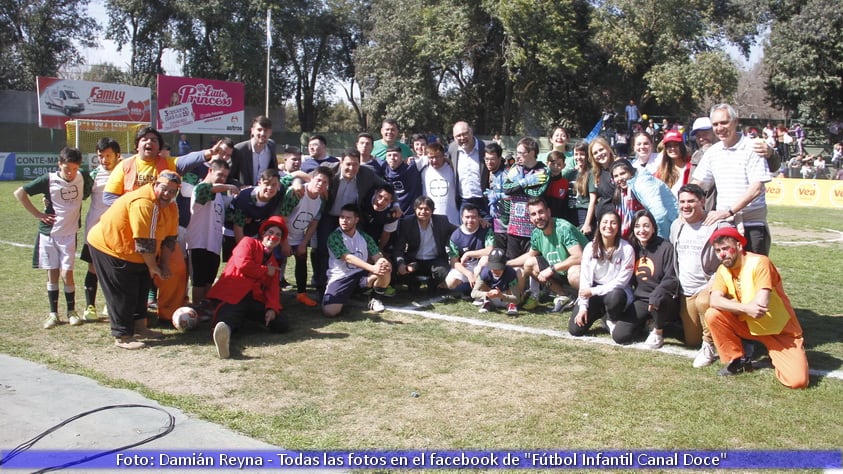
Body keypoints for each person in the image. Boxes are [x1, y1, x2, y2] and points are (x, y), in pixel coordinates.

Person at [87, 171, 182, 349]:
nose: (167, 194)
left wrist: (163, 264)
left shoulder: (171, 207)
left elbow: (170, 238)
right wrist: (153, 267)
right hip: (110, 247)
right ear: (155, 185)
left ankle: (140, 328)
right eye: (164, 188)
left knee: (142, 287)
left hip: (136, 254)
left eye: (172, 191)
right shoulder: (144, 204)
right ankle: (122, 335)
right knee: (123, 291)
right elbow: (144, 242)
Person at [705, 227, 809, 389]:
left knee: (797, 381)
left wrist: (741, 307)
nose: (722, 254)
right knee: (713, 314)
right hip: (748, 324)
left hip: (779, 330)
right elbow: (714, 301)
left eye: (726, 248)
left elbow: (760, 305)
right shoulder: (722, 269)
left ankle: (779, 354)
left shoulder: (760, 262)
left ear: (739, 246)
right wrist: (746, 308)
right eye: (718, 250)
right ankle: (738, 360)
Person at [14, 147, 92, 329]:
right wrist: (38, 214)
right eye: (66, 169)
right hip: (48, 234)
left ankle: (72, 311)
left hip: (69, 234)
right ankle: (53, 314)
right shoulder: (48, 179)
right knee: (52, 274)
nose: (70, 173)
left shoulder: (83, 176)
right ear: (59, 164)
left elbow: (89, 191)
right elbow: (19, 193)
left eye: (74, 168)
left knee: (68, 273)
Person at [692, 103, 772, 255]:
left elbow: (756, 189)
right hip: (725, 224)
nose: (719, 128)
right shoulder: (713, 152)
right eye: (715, 124)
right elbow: (698, 183)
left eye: (724, 122)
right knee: (728, 275)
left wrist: (728, 211)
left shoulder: (753, 147)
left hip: (752, 225)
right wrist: (686, 201)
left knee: (753, 274)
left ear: (735, 122)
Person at [207, 216, 291, 359]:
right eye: (270, 232)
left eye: (278, 235)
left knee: (281, 324)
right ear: (263, 234)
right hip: (233, 293)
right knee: (228, 317)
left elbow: (273, 289)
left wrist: (272, 308)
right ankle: (224, 336)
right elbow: (243, 265)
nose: (273, 237)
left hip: (254, 299)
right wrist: (265, 270)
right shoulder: (247, 243)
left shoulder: (274, 263)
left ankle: (240, 322)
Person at [670, 184, 725, 367]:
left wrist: (714, 284)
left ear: (702, 201)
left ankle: (708, 346)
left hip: (709, 287)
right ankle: (712, 336)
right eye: (682, 201)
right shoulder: (677, 225)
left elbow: (729, 259)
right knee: (691, 341)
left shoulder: (716, 225)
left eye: (691, 201)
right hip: (686, 291)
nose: (686, 206)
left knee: (704, 302)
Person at [568, 210, 635, 344]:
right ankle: (600, 313)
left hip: (615, 293)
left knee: (616, 296)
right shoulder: (590, 247)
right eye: (605, 222)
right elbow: (585, 280)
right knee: (575, 330)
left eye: (613, 223)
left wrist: (593, 291)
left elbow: (621, 282)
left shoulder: (627, 249)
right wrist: (583, 307)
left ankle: (611, 317)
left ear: (619, 226)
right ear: (599, 225)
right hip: (594, 292)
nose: (608, 226)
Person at [508, 197, 586, 312]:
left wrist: (552, 269)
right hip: (559, 272)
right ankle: (565, 296)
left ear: (548, 212)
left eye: (541, 212)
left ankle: (593, 300)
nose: (538, 217)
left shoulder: (563, 228)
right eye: (533, 214)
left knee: (574, 273)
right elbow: (530, 255)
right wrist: (506, 263)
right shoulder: (536, 233)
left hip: (583, 270)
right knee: (529, 264)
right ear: (530, 218)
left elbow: (579, 257)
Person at [322, 204, 392, 317]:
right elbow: (348, 257)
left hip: (360, 275)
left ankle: (375, 298)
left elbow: (377, 256)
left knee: (385, 266)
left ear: (356, 220)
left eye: (348, 218)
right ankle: (346, 294)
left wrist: (382, 263)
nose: (344, 221)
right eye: (342, 217)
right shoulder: (334, 237)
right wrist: (372, 268)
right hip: (342, 277)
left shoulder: (365, 237)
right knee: (330, 312)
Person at [185, 160, 237, 311]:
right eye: (220, 174)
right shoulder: (200, 188)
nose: (222, 179)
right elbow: (208, 189)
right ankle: (196, 308)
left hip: (214, 244)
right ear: (210, 172)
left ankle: (206, 308)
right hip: (198, 242)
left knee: (209, 280)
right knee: (198, 281)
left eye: (225, 177)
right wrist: (229, 186)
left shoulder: (221, 197)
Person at [277, 166, 331, 307]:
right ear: (311, 178)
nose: (320, 184)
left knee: (301, 260)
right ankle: (272, 294)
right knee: (275, 265)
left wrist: (303, 243)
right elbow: (282, 218)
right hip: (280, 235)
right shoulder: (296, 192)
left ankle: (301, 294)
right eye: (318, 180)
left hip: (298, 236)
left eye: (325, 182)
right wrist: (284, 243)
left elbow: (314, 223)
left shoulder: (322, 200)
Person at [80, 138, 121, 321]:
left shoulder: (124, 172)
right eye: (100, 156)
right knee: (93, 268)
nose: (104, 160)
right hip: (94, 229)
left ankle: (110, 304)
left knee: (115, 269)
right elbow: (78, 195)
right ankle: (90, 306)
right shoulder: (93, 175)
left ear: (117, 155)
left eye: (108, 155)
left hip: (116, 229)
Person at [630, 210, 678, 349]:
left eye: (646, 226)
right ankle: (647, 323)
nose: (642, 230)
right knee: (621, 335)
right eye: (637, 226)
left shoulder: (665, 247)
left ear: (653, 227)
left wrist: (656, 295)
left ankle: (658, 330)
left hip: (662, 300)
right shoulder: (633, 247)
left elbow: (671, 278)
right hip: (641, 300)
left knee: (659, 300)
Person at [392, 196, 456, 291]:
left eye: (427, 209)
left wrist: (478, 222)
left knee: (444, 272)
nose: (423, 212)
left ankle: (433, 284)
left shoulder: (442, 221)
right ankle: (414, 282)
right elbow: (399, 249)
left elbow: (459, 231)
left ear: (432, 211)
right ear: (415, 209)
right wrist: (401, 264)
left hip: (435, 260)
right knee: (401, 272)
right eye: (420, 208)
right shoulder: (407, 223)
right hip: (415, 260)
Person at [503, 137, 549, 260]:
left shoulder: (542, 170)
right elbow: (506, 189)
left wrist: (518, 183)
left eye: (521, 153)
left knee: (531, 264)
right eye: (517, 152)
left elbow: (536, 194)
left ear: (532, 153)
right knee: (512, 265)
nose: (518, 156)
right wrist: (526, 182)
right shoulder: (515, 169)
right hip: (514, 229)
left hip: (533, 229)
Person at [610, 160, 677, 241]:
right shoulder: (624, 189)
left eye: (623, 173)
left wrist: (659, 240)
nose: (619, 178)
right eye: (616, 176)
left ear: (631, 171)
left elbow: (660, 215)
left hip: (667, 228)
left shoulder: (641, 183)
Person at [444, 204, 494, 295]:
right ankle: (470, 288)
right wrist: (468, 274)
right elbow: (453, 262)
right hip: (466, 266)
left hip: (481, 265)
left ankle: (482, 292)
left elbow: (490, 250)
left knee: (485, 260)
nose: (470, 220)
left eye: (473, 217)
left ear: (479, 218)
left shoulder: (485, 229)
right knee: (450, 283)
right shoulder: (456, 236)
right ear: (462, 218)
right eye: (467, 217)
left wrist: (468, 254)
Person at [448, 121, 488, 211]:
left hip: (485, 201)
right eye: (458, 136)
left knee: (487, 225)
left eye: (465, 134)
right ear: (454, 138)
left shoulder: (486, 147)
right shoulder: (452, 149)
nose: (462, 138)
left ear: (471, 132)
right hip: (464, 201)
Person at [471, 248, 522, 316]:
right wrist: (487, 294)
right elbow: (473, 293)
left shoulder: (510, 273)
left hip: (507, 298)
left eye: (498, 267)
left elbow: (517, 299)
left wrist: (501, 296)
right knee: (478, 272)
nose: (495, 270)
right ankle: (487, 302)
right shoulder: (485, 272)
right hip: (490, 296)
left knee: (519, 271)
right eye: (493, 267)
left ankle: (511, 305)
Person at [229, 116, 277, 187]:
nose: (263, 133)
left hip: (264, 194)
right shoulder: (239, 149)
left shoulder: (271, 147)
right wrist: (240, 186)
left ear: (270, 132)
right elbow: (228, 177)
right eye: (259, 130)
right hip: (244, 194)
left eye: (266, 130)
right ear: (252, 130)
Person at [420, 141, 459, 226]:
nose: (434, 160)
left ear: (443, 156)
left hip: (452, 219)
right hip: (431, 220)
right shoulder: (423, 171)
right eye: (431, 157)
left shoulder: (452, 168)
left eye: (437, 157)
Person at [583, 137, 616, 236]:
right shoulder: (595, 173)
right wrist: (587, 224)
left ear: (608, 148)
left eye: (601, 149)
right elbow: (592, 201)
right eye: (595, 153)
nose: (599, 154)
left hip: (618, 219)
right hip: (602, 221)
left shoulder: (619, 167)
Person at [481, 142, 508, 248]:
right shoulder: (485, 172)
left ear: (500, 158)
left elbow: (511, 196)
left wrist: (498, 196)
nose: (489, 162)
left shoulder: (505, 175)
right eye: (487, 159)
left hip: (504, 222)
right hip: (490, 219)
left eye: (492, 159)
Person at [383, 144, 422, 215]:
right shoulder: (383, 168)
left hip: (412, 213)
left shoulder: (412, 166)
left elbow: (430, 157)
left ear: (401, 157)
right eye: (389, 155)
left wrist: (447, 159)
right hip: (393, 213)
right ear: (386, 158)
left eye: (395, 155)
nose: (392, 158)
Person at [656, 130, 693, 196]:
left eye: (676, 145)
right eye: (669, 146)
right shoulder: (661, 170)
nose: (672, 148)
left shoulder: (692, 166)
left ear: (681, 146)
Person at [570, 141, 593, 231]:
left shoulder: (591, 173)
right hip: (571, 211)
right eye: (576, 154)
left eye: (582, 154)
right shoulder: (571, 173)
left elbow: (592, 200)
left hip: (584, 213)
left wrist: (587, 223)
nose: (578, 157)